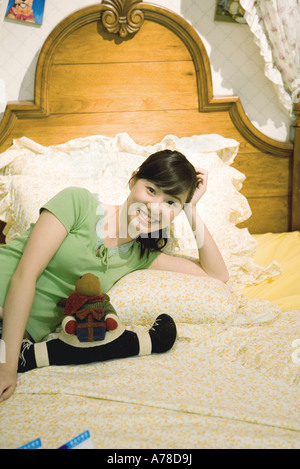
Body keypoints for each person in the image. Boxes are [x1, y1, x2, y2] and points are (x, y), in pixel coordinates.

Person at [0, 149, 229, 401]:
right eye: (151, 190)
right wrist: (8, 365)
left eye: (171, 202)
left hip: (11, 336)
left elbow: (216, 274)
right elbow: (24, 275)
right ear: (132, 181)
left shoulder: (140, 255)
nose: (155, 207)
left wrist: (191, 209)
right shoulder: (78, 203)